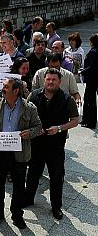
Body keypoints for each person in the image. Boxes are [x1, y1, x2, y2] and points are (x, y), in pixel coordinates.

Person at [0, 77, 42, 229]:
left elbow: (38, 127)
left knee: (19, 186)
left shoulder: (29, 108)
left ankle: (17, 214)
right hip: (0, 152)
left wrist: (29, 133)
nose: (3, 88)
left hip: (19, 153)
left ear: (16, 91)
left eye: (6, 87)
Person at [25, 68, 79, 220]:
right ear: (44, 80)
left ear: (59, 82)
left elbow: (75, 120)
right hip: (36, 143)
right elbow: (25, 114)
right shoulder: (34, 95)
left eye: (54, 80)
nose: (50, 82)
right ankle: (28, 198)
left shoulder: (67, 98)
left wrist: (60, 128)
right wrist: (33, 130)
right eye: (48, 79)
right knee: (33, 173)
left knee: (56, 176)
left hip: (56, 145)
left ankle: (56, 207)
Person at [80, 34, 98, 129]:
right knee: (90, 100)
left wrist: (82, 71)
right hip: (95, 79)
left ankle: (89, 121)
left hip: (92, 79)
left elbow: (92, 67)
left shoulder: (93, 52)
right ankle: (88, 120)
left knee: (89, 101)